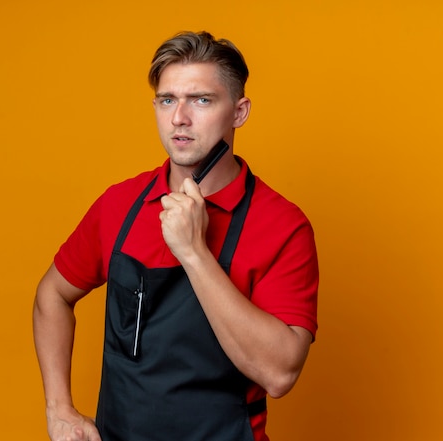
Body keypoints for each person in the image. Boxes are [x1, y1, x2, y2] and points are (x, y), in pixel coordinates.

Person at [33, 31, 319, 441]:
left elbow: (280, 373)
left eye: (201, 100)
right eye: (168, 100)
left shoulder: (282, 226)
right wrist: (59, 409)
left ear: (239, 112)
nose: (179, 118)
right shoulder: (120, 205)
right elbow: (52, 295)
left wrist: (194, 253)